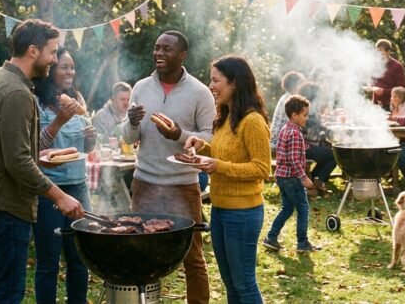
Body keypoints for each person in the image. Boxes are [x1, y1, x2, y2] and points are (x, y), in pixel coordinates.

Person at [0, 19, 83, 303]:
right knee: (6, 293)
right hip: (3, 206)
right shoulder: (17, 92)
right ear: (33, 51)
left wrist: (37, 153)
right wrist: (59, 196)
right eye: (52, 52)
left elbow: (6, 148)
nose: (54, 60)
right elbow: (17, 162)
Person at [121, 30, 215, 304]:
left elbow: (209, 139)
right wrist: (132, 122)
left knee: (193, 257)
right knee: (142, 251)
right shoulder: (140, 87)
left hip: (183, 185)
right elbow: (129, 138)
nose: (158, 54)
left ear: (182, 55)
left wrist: (180, 135)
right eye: (156, 48)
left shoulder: (200, 92)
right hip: (145, 183)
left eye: (166, 49)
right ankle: (145, 301)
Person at [184, 55, 271, 304]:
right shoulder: (223, 117)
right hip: (220, 210)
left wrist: (219, 166)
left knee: (244, 284)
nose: (211, 86)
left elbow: (262, 168)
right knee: (231, 284)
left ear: (234, 83)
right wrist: (201, 147)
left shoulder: (253, 121)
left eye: (215, 80)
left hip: (243, 214)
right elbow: (221, 154)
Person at [33, 48, 97, 303]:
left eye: (72, 67)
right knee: (48, 261)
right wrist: (58, 121)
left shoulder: (77, 98)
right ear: (51, 71)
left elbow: (85, 149)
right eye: (64, 67)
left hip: (78, 186)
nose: (71, 71)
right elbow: (34, 149)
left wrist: (90, 141)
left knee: (80, 259)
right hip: (49, 189)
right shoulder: (36, 102)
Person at [262, 94, 321, 253]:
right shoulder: (295, 133)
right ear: (294, 115)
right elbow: (294, 160)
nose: (307, 118)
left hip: (281, 176)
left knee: (287, 209)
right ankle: (302, 243)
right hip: (291, 178)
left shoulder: (285, 129)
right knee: (303, 208)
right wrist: (304, 178)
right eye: (304, 115)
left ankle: (271, 237)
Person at [297, 81, 337, 195]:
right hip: (303, 148)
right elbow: (315, 128)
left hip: (303, 145)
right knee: (334, 155)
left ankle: (315, 180)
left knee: (328, 151)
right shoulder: (306, 111)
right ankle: (318, 181)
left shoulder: (300, 107)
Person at [269, 71, 306, 151]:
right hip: (279, 144)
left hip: (279, 141)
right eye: (301, 84)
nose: (302, 87)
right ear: (294, 85)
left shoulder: (287, 97)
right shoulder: (290, 100)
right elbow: (295, 124)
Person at [367, 39, 405, 110]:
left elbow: (402, 89)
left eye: (382, 54)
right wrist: (370, 86)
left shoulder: (397, 66)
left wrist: (384, 91)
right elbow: (371, 81)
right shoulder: (375, 65)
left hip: (391, 106)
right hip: (376, 104)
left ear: (388, 52)